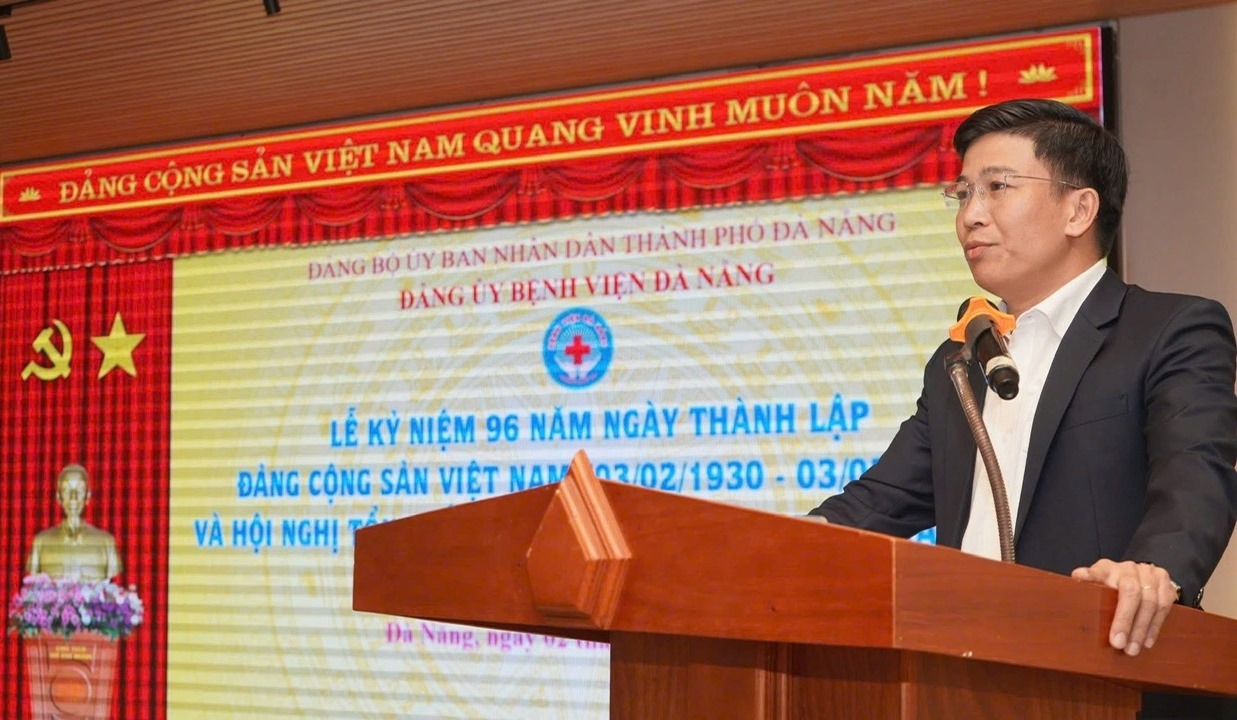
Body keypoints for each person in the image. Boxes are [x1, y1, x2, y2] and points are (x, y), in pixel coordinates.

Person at [808, 98, 1237, 716]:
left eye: (997, 187)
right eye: (962, 194)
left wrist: (1151, 570)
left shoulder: (1168, 329)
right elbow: (881, 501)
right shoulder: (960, 360)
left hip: (1114, 676)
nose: (970, 215)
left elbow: (1195, 475)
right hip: (962, 684)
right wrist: (778, 547)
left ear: (1078, 210)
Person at [26, 463, 123, 581]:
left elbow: (114, 585)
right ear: (58, 497)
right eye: (66, 490)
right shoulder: (41, 542)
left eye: (80, 490)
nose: (73, 497)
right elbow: (31, 586)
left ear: (87, 496)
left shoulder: (106, 542)